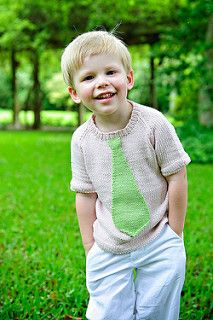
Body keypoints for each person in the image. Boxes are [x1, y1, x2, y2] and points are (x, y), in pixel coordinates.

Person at [61, 30, 191, 320]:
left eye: (110, 72)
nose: (102, 82)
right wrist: (90, 246)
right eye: (88, 77)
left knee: (157, 311)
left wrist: (175, 232)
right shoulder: (81, 139)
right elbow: (85, 195)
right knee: (107, 314)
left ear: (129, 78)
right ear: (74, 93)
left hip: (159, 237)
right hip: (108, 243)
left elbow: (176, 174)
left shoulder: (154, 123)